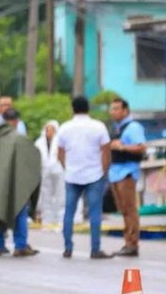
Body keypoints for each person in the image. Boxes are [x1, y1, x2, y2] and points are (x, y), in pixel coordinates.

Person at [57, 96, 112, 259]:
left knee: (69, 212)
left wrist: (67, 168)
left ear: (72, 108)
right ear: (88, 108)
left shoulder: (64, 128)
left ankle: (68, 248)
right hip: (94, 174)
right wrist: (104, 171)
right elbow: (106, 151)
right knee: (95, 213)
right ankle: (95, 249)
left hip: (72, 175)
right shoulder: (98, 126)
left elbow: (60, 153)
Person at [0, 109, 40, 257]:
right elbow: (33, 159)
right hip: (16, 182)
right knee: (19, 210)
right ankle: (20, 246)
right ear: (16, 121)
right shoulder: (20, 139)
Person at [108, 97, 147, 257]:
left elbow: (141, 147)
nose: (113, 112)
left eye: (117, 109)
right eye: (112, 109)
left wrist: (122, 147)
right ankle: (128, 241)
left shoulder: (133, 127)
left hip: (127, 172)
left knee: (130, 209)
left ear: (126, 111)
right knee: (123, 209)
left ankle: (132, 243)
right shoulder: (117, 128)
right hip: (115, 172)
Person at [35, 120, 65, 230]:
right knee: (45, 197)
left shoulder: (61, 141)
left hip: (59, 171)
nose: (50, 132)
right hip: (44, 172)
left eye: (52, 129)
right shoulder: (39, 142)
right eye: (48, 129)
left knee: (60, 197)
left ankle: (60, 222)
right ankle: (47, 222)